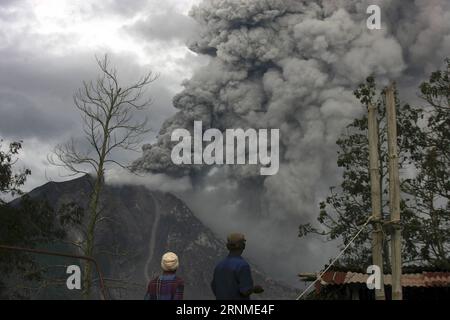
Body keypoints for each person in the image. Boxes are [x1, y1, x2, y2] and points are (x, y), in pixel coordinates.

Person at [211, 233, 264, 300]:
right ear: (242, 246)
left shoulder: (219, 265)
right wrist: (255, 289)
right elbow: (245, 291)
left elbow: (214, 286)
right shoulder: (242, 265)